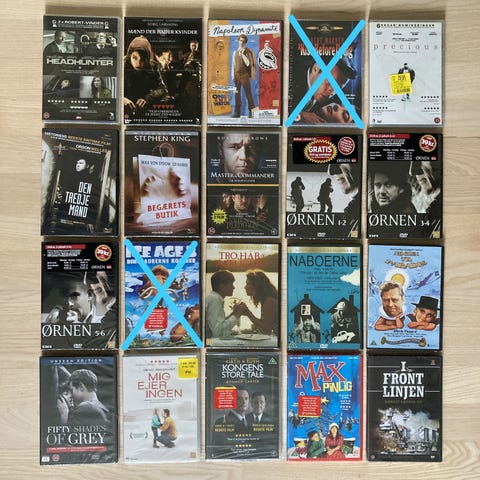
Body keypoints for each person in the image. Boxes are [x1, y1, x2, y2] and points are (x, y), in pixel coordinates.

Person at [293, 55, 357, 124]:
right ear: (316, 69)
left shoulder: (327, 104)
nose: (332, 92)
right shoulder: (291, 79)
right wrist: (300, 115)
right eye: (330, 83)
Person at [123, 36, 171, 116]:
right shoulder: (120, 64)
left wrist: (147, 98)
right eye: (135, 58)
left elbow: (163, 89)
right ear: (129, 56)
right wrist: (121, 99)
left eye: (142, 60)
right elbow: (109, 88)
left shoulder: (153, 66)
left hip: (145, 107)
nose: (138, 64)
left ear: (147, 59)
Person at [237, 270, 278, 335]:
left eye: (248, 284)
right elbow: (265, 324)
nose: (245, 287)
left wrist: (248, 313)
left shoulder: (269, 301)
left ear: (257, 286)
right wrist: (255, 325)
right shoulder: (266, 299)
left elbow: (267, 331)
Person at [205, 270, 243, 338]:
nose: (233, 287)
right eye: (231, 284)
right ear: (222, 286)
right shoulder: (214, 300)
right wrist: (236, 315)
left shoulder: (213, 298)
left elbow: (219, 324)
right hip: (209, 341)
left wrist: (233, 314)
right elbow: (218, 332)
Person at [231, 34, 256, 117]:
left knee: (248, 93)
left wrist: (242, 55)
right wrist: (233, 75)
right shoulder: (235, 52)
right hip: (236, 75)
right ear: (238, 41)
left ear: (245, 42)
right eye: (241, 40)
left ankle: (251, 112)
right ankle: (237, 112)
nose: (242, 42)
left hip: (245, 75)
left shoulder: (247, 52)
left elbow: (248, 64)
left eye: (244, 41)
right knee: (236, 94)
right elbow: (233, 65)